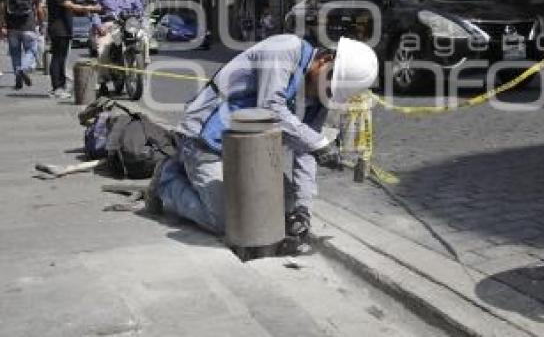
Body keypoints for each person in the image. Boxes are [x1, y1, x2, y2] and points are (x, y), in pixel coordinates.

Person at [148, 35, 378, 239]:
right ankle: (167, 180)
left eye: (331, 92)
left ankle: (211, 185)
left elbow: (305, 152)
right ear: (325, 59)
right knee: (226, 220)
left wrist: (303, 208)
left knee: (283, 208)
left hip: (251, 152)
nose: (326, 94)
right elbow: (270, 108)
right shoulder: (285, 50)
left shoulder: (319, 100)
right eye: (328, 85)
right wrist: (319, 144)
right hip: (206, 141)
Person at [46, 0, 100, 99]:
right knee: (57, 58)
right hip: (58, 29)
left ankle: (62, 85)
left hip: (66, 29)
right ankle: (56, 88)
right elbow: (70, 6)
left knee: (62, 59)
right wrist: (90, 8)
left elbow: (78, 0)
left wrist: (90, 1)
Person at [92, 0, 144, 96]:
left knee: (145, 39)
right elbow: (95, 13)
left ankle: (142, 64)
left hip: (129, 23)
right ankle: (102, 81)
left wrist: (141, 16)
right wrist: (99, 26)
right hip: (110, 25)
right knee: (103, 48)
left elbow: (140, 9)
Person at [0, 0, 44, 90]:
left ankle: (18, 75)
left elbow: (2, 9)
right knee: (32, 49)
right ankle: (23, 69)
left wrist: (2, 25)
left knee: (15, 53)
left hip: (12, 27)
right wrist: (41, 24)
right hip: (29, 26)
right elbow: (40, 10)